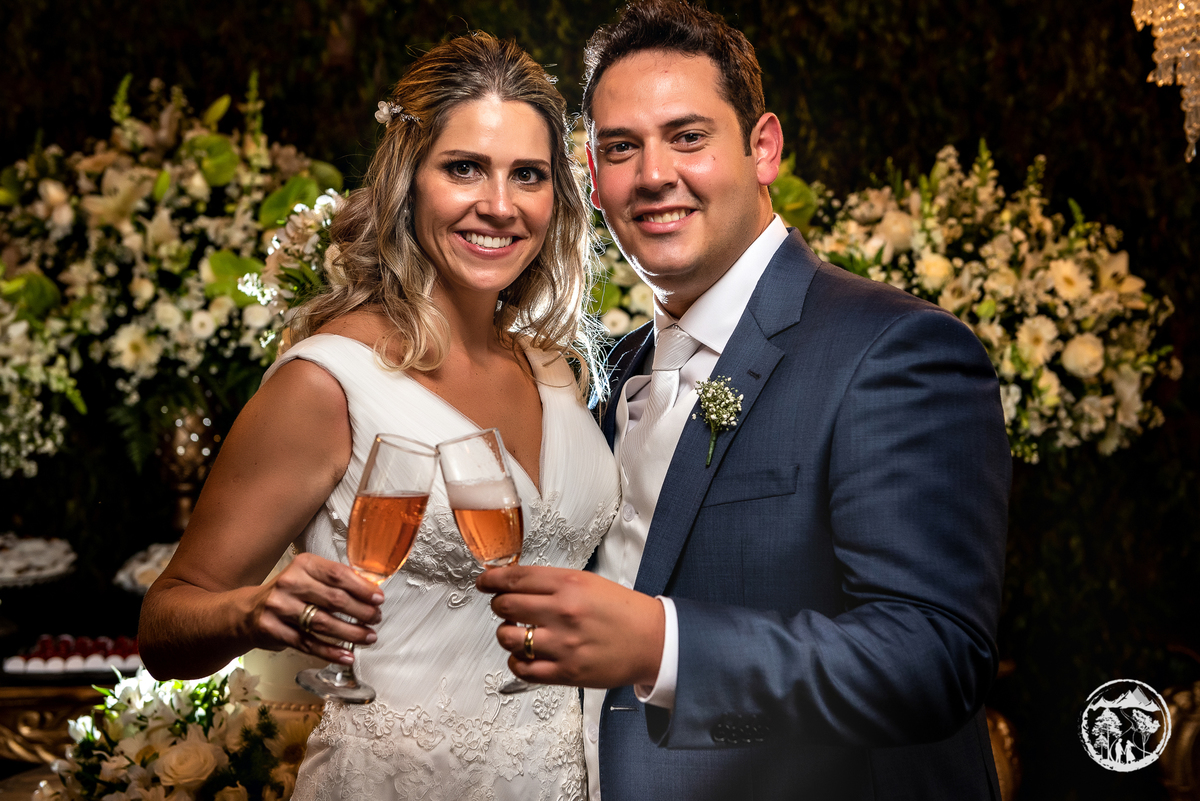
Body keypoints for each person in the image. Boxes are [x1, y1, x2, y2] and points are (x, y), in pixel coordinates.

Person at [476, 1, 1012, 799]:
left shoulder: (894, 349)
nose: (653, 175)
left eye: (688, 136)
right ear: (592, 174)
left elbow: (932, 658)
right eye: (621, 148)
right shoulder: (607, 372)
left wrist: (663, 645)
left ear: (763, 147)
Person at [139, 32, 619, 801]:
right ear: (408, 181)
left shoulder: (553, 369)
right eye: (464, 167)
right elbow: (165, 626)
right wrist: (255, 608)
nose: (500, 204)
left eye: (527, 174)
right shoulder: (328, 380)